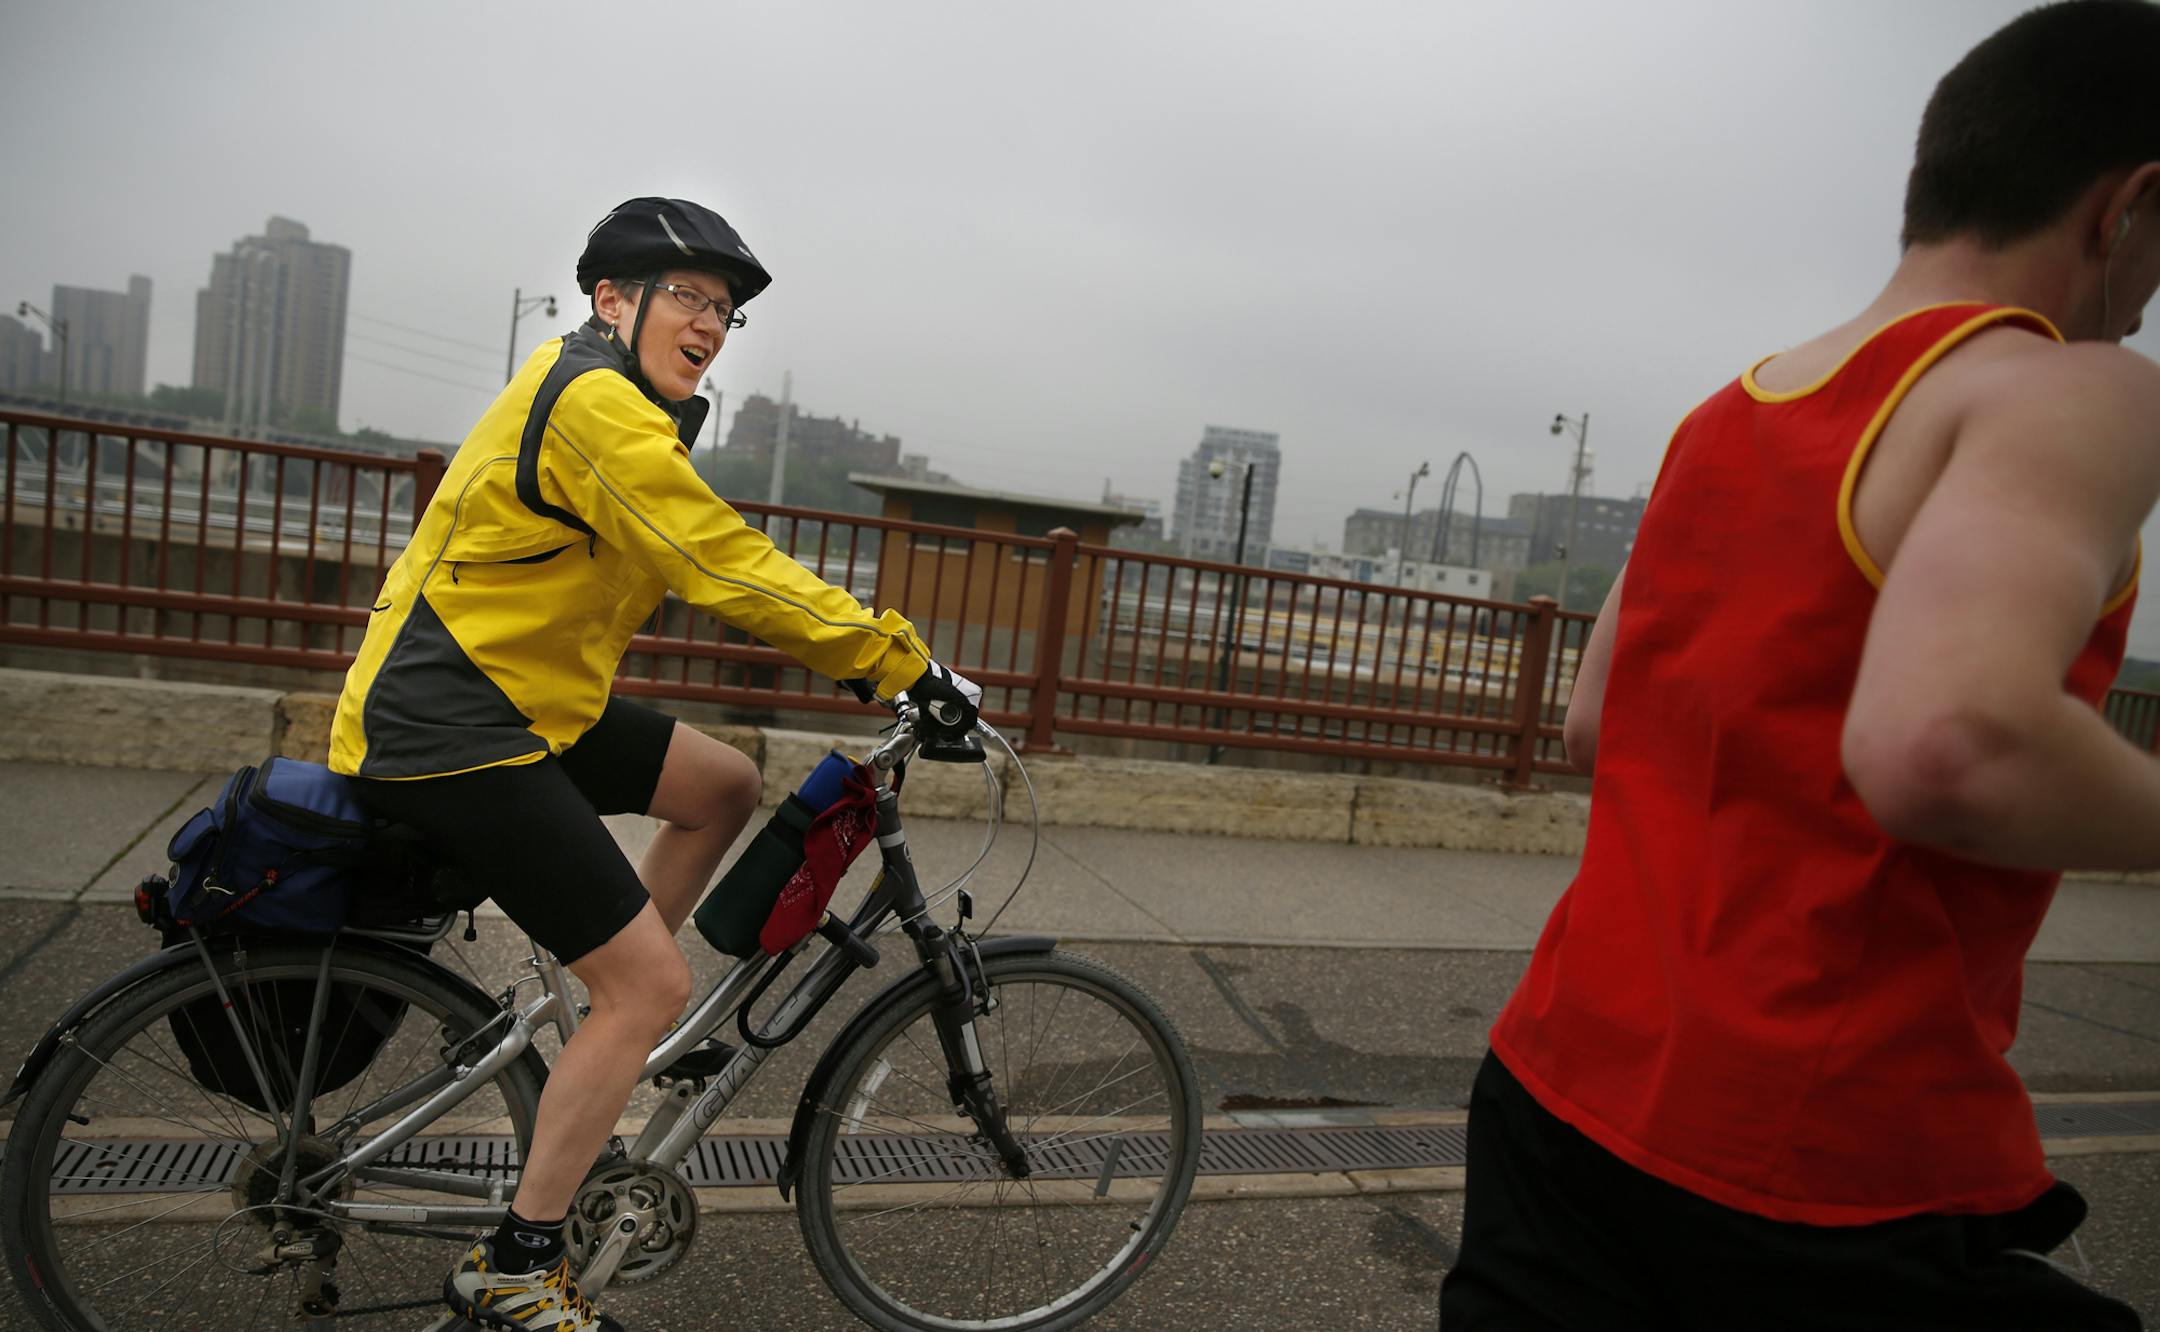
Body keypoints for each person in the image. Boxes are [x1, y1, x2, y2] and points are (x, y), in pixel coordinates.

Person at [1440, 3, 2160, 1328]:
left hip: (1556, 1094)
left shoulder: (1725, 414)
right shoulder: (2065, 390)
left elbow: (1598, 724)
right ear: (2126, 210)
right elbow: (1950, 743)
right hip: (1815, 1164)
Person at [327, 197, 982, 1332]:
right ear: (611, 301)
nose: (710, 326)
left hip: (527, 700)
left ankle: (604, 1028)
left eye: (724, 311)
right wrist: (897, 664)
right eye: (688, 298)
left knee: (722, 784)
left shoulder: (609, 392)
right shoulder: (592, 403)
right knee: (654, 982)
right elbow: (712, 558)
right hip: (452, 723)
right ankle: (521, 1269)